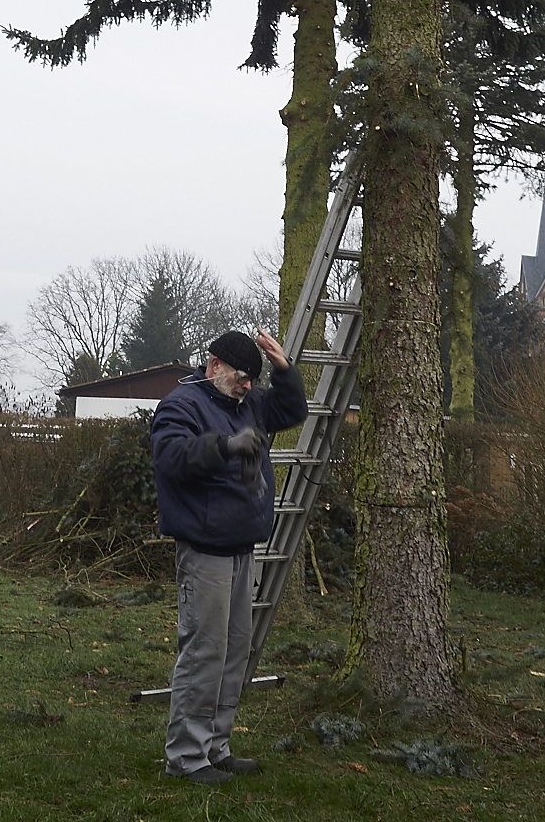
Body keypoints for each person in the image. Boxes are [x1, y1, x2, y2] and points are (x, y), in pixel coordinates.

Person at [149, 327, 307, 784]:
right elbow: (172, 456)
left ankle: (216, 746)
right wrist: (226, 447)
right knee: (205, 652)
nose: (247, 387)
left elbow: (291, 409)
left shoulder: (249, 403)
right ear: (214, 365)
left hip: (242, 546)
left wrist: (283, 369)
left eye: (252, 380)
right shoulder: (182, 404)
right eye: (241, 377)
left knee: (236, 650)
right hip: (205, 548)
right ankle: (185, 757)